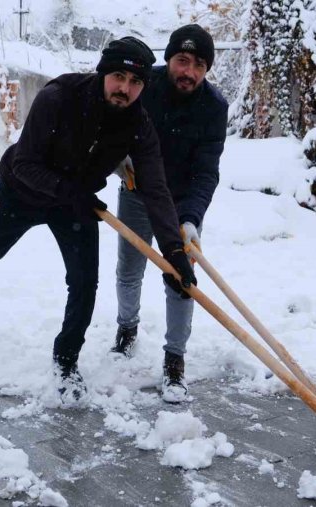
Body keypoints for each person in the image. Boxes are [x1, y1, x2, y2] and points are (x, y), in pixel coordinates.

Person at [0, 36, 197, 404]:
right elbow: (25, 163)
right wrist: (72, 192)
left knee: (84, 284)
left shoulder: (137, 123)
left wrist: (173, 252)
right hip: (22, 192)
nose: (125, 88)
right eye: (119, 76)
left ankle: (66, 361)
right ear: (104, 71)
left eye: (136, 82)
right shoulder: (59, 96)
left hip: (74, 204)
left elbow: (155, 188)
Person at [112, 24, 228, 403]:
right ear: (169, 59)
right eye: (182, 60)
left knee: (181, 279)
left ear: (207, 69)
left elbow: (206, 171)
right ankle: (127, 328)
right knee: (129, 269)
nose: (189, 71)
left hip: (180, 205)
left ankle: (174, 359)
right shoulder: (147, 87)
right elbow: (113, 124)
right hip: (137, 191)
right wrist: (118, 158)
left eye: (198, 64)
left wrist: (192, 219)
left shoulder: (214, 107)